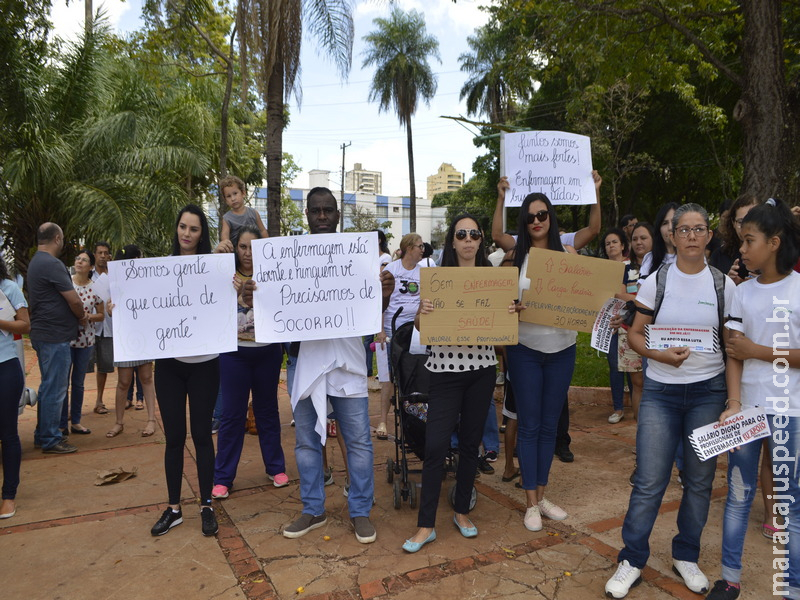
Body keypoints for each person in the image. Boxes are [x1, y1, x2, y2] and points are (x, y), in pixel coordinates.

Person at [605, 203, 734, 599]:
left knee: (699, 479)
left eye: (700, 229)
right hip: (660, 390)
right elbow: (635, 335)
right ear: (673, 236)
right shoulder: (655, 281)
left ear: (709, 236)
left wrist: (732, 398)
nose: (693, 236)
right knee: (649, 479)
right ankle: (632, 559)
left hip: (708, 392)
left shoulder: (723, 285)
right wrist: (660, 356)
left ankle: (686, 554)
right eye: (685, 230)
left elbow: (732, 346)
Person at [281, 187, 393, 544]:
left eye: (328, 210)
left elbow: (372, 310)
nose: (323, 216)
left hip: (347, 360)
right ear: (307, 215)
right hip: (305, 358)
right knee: (306, 443)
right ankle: (312, 509)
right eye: (316, 211)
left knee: (359, 442)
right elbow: (275, 303)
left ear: (338, 215)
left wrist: (384, 293)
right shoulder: (290, 257)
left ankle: (360, 510)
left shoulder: (357, 258)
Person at [492, 170, 602, 531]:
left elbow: (594, 238)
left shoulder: (568, 253)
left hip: (562, 348)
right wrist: (501, 196)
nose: (536, 220)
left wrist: (595, 193)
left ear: (551, 219)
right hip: (525, 349)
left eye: (542, 215)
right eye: (529, 216)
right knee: (529, 424)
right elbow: (496, 238)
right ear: (523, 222)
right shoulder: (514, 256)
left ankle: (542, 493)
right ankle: (530, 502)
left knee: (549, 426)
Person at [706, 198, 800, 600]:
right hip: (746, 413)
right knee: (739, 497)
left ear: (774, 243)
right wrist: (732, 403)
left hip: (789, 413)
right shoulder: (741, 293)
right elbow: (733, 353)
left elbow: (752, 351)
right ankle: (729, 580)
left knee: (790, 505)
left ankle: (792, 583)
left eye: (749, 241)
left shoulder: (798, 289)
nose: (741, 250)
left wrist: (759, 351)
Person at [402, 214, 509, 552]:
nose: (468, 239)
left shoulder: (494, 280)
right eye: (461, 234)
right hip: (445, 371)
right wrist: (423, 311)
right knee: (434, 446)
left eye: (474, 234)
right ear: (452, 240)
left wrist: (509, 313)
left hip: (481, 369)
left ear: (480, 241)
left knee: (469, 444)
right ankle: (425, 525)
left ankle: (462, 511)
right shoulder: (438, 278)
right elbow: (419, 327)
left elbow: (503, 334)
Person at [150, 204, 220, 537]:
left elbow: (237, 292)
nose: (186, 234)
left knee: (203, 436)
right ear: (175, 229)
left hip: (205, 365)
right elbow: (141, 305)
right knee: (174, 438)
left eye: (193, 229)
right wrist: (119, 307)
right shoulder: (159, 270)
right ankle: (174, 508)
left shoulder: (215, 268)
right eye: (182, 227)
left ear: (201, 234)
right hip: (168, 366)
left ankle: (207, 504)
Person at [211, 225, 288, 499]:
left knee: (268, 411)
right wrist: (215, 259)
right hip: (234, 354)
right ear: (235, 248)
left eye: (252, 247)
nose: (247, 253)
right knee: (231, 415)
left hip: (268, 352)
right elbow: (206, 298)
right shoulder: (222, 275)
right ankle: (223, 477)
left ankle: (275, 467)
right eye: (242, 247)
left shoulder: (274, 275)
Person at [28, 223, 86, 454]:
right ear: (58, 239)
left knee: (48, 387)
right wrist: (81, 316)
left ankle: (43, 434)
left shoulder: (35, 262)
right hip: (54, 337)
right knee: (55, 389)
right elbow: (73, 300)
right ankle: (51, 438)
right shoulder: (52, 264)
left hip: (45, 334)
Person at [375, 233, 425, 440]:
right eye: (420, 246)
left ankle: (413, 423)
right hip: (391, 330)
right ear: (408, 248)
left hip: (415, 331)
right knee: (388, 378)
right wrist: (380, 330)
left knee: (414, 377)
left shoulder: (424, 273)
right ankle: (383, 421)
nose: (423, 249)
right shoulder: (391, 269)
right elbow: (380, 301)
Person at [105, 245, 158, 439]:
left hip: (143, 336)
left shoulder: (147, 281)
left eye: (138, 259)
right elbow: (109, 308)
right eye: (133, 259)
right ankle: (119, 422)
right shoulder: (115, 282)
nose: (136, 263)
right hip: (124, 337)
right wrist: (110, 309)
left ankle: (151, 420)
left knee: (147, 378)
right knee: (123, 381)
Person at [59, 249, 104, 436]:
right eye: (78, 258)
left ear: (91, 267)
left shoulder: (95, 288)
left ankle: (76, 421)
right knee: (63, 382)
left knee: (78, 383)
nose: (79, 262)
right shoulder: (66, 283)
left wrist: (89, 317)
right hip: (65, 340)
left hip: (85, 341)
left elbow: (101, 315)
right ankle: (61, 423)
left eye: (84, 260)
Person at [0, 255, 30, 518]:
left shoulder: (8, 288)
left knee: (7, 433)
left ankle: (8, 495)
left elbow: (24, 324)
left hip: (5, 367)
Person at [600, 229, 634, 425]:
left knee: (631, 367)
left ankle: (634, 403)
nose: (611, 246)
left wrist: (616, 294)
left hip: (629, 322)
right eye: (607, 243)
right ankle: (618, 408)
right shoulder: (602, 269)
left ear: (622, 245)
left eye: (614, 242)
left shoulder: (632, 268)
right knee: (614, 364)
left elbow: (630, 296)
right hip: (608, 323)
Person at [709, 194, 759, 283]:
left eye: (752, 220)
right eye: (741, 222)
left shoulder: (772, 256)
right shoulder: (719, 256)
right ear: (733, 223)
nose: (746, 227)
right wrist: (728, 283)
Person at [90, 241, 114, 415]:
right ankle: (73, 405)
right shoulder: (87, 277)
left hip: (108, 328)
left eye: (106, 253)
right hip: (89, 329)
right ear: (95, 255)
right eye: (100, 253)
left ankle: (99, 401)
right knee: (82, 368)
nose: (103, 256)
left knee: (104, 368)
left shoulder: (114, 277)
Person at [215, 175, 268, 253]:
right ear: (225, 200)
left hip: (255, 251)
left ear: (243, 193)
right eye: (228, 196)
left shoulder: (254, 213)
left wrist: (267, 244)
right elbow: (225, 236)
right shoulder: (227, 218)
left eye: (235, 193)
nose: (233, 198)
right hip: (236, 254)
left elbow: (263, 231)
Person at [639, 202, 678, 280]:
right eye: (665, 223)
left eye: (674, 222)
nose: (670, 227)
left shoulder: (694, 257)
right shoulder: (650, 259)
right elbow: (642, 290)